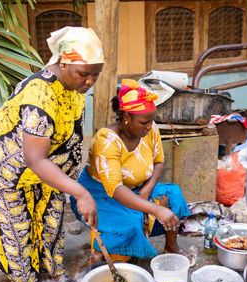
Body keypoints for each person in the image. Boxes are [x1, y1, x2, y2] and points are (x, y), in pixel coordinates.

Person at [0, 27, 103, 282]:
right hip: (9, 164)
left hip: (51, 164)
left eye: (96, 73)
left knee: (51, 216)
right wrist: (80, 191)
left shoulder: (73, 87)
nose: (90, 81)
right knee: (18, 223)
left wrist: (70, 178)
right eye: (84, 73)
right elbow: (34, 158)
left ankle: (54, 271)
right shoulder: (40, 95)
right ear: (63, 62)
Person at [71, 79, 191, 263]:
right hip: (101, 194)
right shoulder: (106, 141)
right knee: (130, 224)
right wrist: (156, 209)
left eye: (152, 120)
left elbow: (159, 162)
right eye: (144, 122)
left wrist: (146, 191)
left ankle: (171, 246)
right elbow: (116, 189)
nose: (150, 126)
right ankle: (106, 251)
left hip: (137, 188)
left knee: (172, 194)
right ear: (126, 117)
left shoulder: (149, 130)